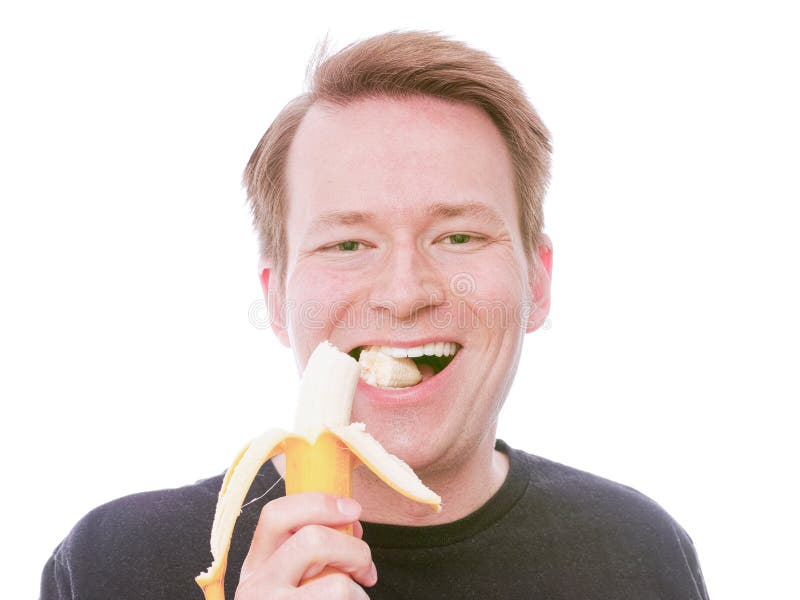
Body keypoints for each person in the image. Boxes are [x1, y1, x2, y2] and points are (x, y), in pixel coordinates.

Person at [40, 31, 709, 599]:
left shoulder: (637, 555)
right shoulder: (113, 563)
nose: (403, 291)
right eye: (348, 244)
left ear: (537, 282)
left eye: (458, 237)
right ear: (276, 300)